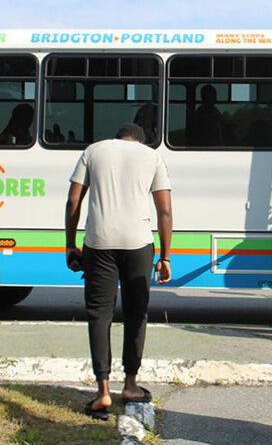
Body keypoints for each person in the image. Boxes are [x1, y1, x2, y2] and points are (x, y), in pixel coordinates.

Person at [65, 123, 173, 420]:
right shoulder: (152, 156)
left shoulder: (93, 151)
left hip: (98, 243)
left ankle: (102, 391)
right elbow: (164, 210)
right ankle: (130, 385)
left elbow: (74, 200)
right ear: (140, 140)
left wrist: (70, 244)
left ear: (117, 138)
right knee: (136, 314)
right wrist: (165, 256)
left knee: (99, 315)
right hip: (138, 243)